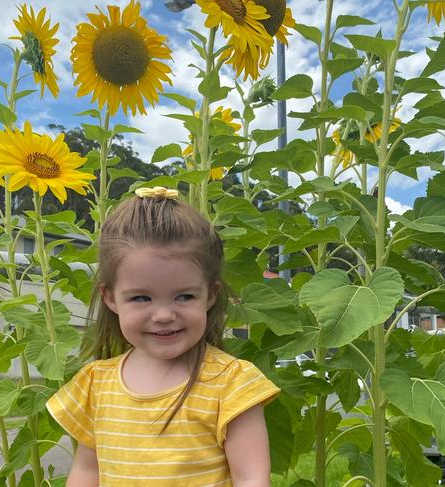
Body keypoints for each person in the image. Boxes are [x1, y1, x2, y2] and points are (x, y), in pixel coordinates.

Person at [47, 187, 280, 486]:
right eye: (141, 298)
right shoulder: (94, 383)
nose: (164, 315)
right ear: (110, 298)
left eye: (183, 296)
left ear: (210, 295)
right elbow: (87, 472)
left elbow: (251, 479)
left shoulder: (233, 384)